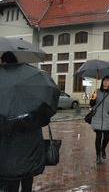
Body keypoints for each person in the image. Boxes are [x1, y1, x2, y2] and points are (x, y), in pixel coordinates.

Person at [0, 52, 51, 192]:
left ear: (4, 64)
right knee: (27, 183)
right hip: (31, 149)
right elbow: (45, 119)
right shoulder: (32, 80)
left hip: (9, 152)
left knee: (11, 184)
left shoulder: (3, 89)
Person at [89, 75, 109, 164]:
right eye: (104, 80)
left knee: (106, 137)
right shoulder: (96, 91)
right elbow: (91, 104)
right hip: (97, 117)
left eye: (108, 81)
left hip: (106, 118)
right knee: (98, 137)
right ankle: (98, 156)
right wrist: (93, 98)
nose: (105, 82)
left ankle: (103, 149)